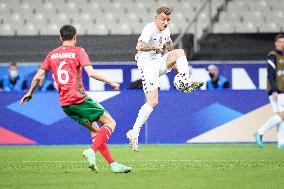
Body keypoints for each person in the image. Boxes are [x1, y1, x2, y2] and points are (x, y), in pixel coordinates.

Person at [20, 25, 132, 172]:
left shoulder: (51, 54)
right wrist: (110, 82)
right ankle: (91, 150)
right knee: (111, 122)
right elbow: (91, 73)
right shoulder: (79, 51)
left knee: (95, 131)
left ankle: (113, 164)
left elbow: (37, 76)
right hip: (79, 99)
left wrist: (30, 93)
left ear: (60, 37)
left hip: (66, 105)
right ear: (75, 37)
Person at [126, 6, 203, 152]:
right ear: (156, 18)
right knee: (153, 101)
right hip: (147, 66)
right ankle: (134, 132)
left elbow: (169, 47)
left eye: (168, 20)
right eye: (163, 19)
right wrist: (153, 47)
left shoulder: (166, 30)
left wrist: (176, 64)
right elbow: (139, 46)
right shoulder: (150, 28)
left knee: (179, 52)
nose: (165, 22)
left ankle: (184, 80)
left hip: (158, 62)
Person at [255, 34, 284, 149]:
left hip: (282, 90)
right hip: (276, 91)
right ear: (276, 43)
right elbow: (270, 74)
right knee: (282, 115)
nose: (283, 43)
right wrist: (273, 90)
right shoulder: (272, 56)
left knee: (281, 117)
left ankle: (281, 143)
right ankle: (260, 132)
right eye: (281, 41)